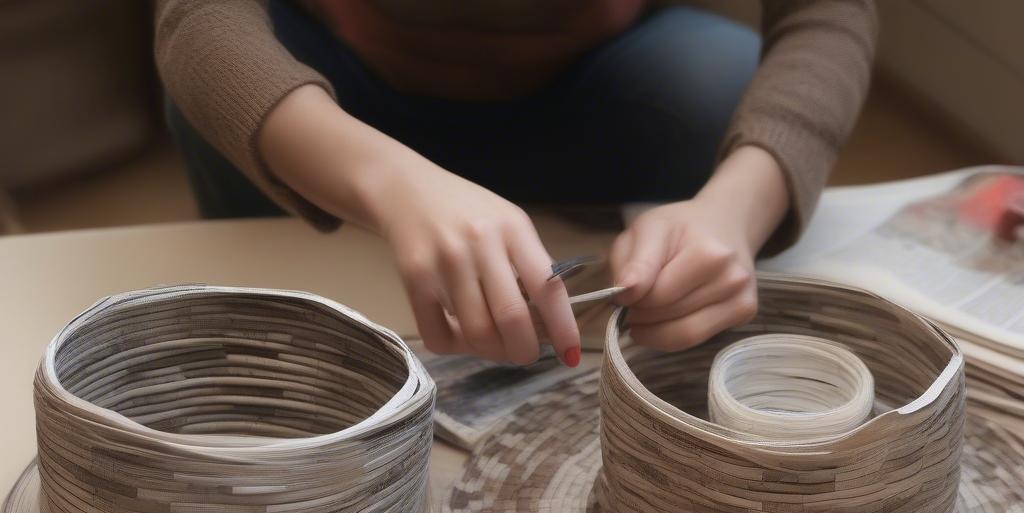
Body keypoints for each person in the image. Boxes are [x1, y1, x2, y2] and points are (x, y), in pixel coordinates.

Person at [155, 1, 877, 367]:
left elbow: (827, 13)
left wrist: (735, 210)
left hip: (596, 87)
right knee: (222, 89)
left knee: (718, 85)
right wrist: (388, 181)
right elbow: (196, 15)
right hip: (331, 91)